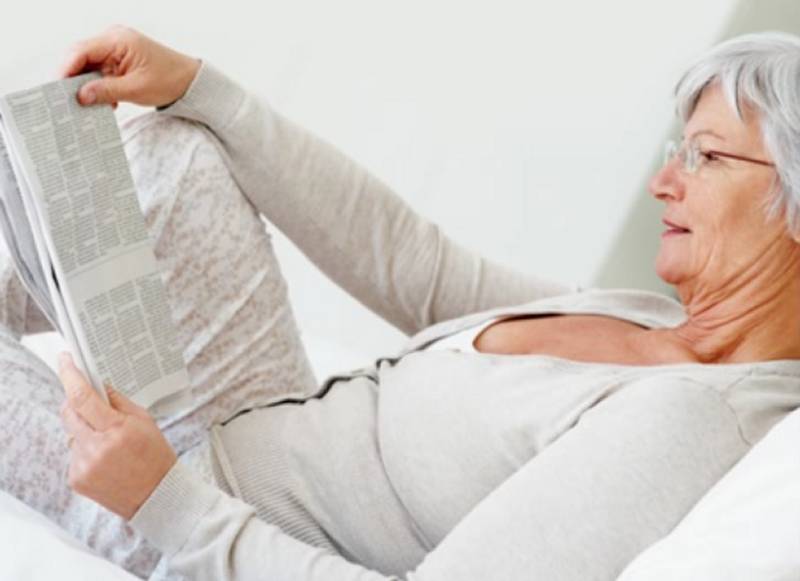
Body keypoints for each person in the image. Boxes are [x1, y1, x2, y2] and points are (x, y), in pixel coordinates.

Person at [2, 25, 800, 580]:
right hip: (255, 417)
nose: (667, 180)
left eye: (707, 156)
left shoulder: (690, 421)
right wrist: (202, 88)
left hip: (192, 524)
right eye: (676, 151)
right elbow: (419, 268)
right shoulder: (660, 319)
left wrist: (161, 500)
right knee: (180, 152)